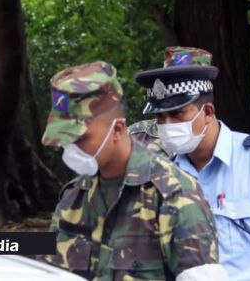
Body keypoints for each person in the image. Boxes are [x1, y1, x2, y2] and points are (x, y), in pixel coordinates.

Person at [130, 47, 250, 281]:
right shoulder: (161, 173)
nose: (167, 125)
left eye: (177, 114)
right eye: (161, 118)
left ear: (209, 112)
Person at [40, 61, 229, 281]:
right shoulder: (73, 197)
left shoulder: (174, 195)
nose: (70, 149)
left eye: (80, 138)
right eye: (65, 140)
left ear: (118, 129)